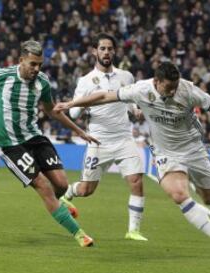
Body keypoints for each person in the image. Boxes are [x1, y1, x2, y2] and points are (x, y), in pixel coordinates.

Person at [54, 62, 210, 256]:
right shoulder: (141, 90)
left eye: (175, 86)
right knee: (179, 195)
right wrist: (71, 103)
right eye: (169, 87)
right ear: (156, 82)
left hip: (194, 149)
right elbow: (102, 96)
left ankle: (193, 180)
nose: (173, 91)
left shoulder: (188, 91)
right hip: (166, 153)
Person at [0, 40, 99, 247]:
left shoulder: (43, 82)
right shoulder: (0, 76)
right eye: (32, 64)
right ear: (21, 60)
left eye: (39, 64)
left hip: (35, 137)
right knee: (43, 185)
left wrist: (78, 130)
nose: (36, 69)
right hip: (10, 145)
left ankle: (59, 206)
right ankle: (79, 234)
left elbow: (51, 110)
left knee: (62, 185)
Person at [64, 33, 147, 241]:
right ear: (95, 52)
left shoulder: (126, 77)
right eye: (102, 48)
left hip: (124, 138)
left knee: (136, 180)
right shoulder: (85, 81)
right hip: (99, 141)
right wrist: (88, 102)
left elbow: (129, 99)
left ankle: (133, 231)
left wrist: (135, 110)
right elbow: (73, 114)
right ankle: (67, 194)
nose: (106, 52)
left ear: (115, 51)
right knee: (86, 190)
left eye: (110, 48)